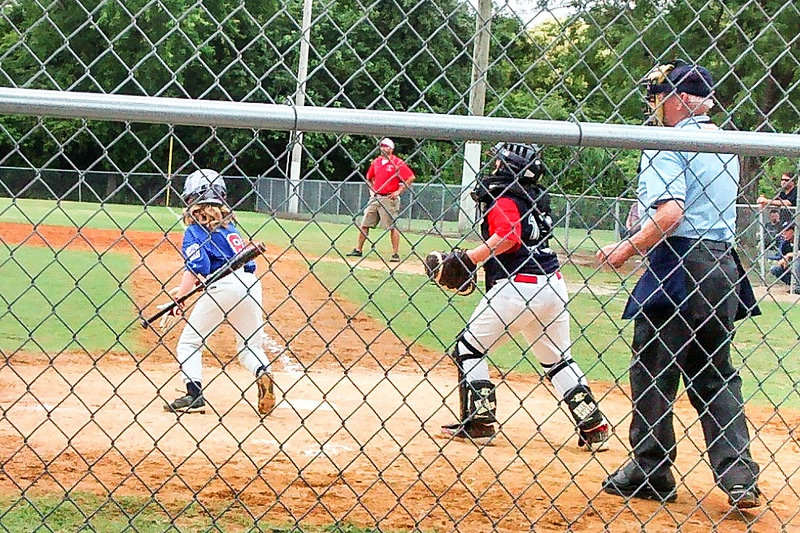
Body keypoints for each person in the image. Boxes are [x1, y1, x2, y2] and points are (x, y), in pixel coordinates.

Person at [596, 61, 762, 508]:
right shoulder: (728, 143)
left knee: (653, 369)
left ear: (683, 99)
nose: (655, 105)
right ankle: (739, 475)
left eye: (661, 95)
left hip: (679, 265)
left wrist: (626, 248)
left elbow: (670, 214)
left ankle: (650, 468)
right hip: (723, 267)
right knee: (714, 374)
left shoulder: (668, 141)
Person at [438, 142, 610, 451]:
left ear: (508, 169)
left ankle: (479, 422)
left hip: (517, 286)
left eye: (498, 164)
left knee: (469, 349)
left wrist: (471, 258)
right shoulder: (533, 198)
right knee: (558, 361)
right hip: (552, 285)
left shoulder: (504, 197)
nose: (494, 169)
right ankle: (593, 425)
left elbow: (508, 236)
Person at [159, 169, 275, 416]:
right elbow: (246, 263)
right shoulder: (230, 227)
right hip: (250, 284)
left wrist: (178, 300)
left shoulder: (194, 231)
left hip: (223, 287)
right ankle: (262, 372)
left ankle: (194, 395)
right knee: (249, 346)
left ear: (191, 199)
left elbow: (196, 267)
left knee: (190, 343)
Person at [346, 138, 416, 262]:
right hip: (376, 197)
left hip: (389, 198)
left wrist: (399, 191)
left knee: (392, 226)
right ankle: (358, 249)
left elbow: (410, 177)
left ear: (391, 149)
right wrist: (372, 191)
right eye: (382, 146)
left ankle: (395, 254)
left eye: (386, 146)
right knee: (364, 223)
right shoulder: (376, 162)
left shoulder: (397, 162)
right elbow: (369, 177)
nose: (383, 148)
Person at [769, 222, 795, 286]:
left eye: (787, 230)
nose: (784, 233)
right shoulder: (785, 244)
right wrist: (782, 261)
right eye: (783, 231)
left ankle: (797, 286)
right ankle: (793, 286)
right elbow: (782, 259)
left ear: (794, 231)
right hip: (791, 265)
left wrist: (789, 255)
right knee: (775, 269)